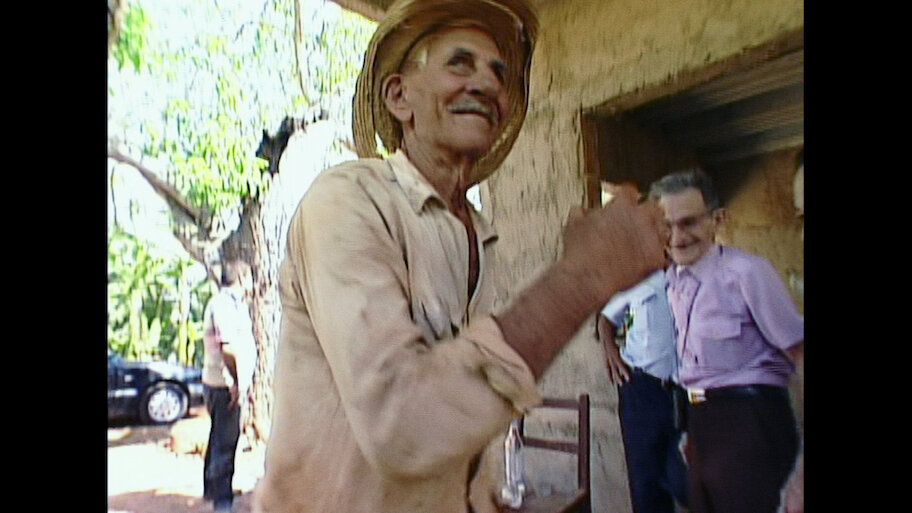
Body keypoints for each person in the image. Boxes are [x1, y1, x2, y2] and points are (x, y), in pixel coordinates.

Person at [252, 1, 666, 512]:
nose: (488, 84)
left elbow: (457, 415)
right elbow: (402, 426)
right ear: (399, 96)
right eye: (460, 63)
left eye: (499, 72)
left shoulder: (478, 235)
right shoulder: (346, 200)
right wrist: (583, 276)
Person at [648, 169, 804, 513]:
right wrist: (693, 429)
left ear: (717, 220)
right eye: (666, 225)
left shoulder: (747, 273)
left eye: (689, 223)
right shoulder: (673, 282)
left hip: (750, 423)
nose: (677, 237)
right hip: (701, 422)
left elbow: (800, 354)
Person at [597, 263, 689, 513]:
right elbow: (606, 319)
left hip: (687, 393)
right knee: (646, 485)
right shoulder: (637, 279)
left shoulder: (699, 280)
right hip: (642, 390)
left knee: (686, 479)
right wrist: (610, 350)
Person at [202, 260, 257, 513]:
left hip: (221, 382)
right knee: (226, 442)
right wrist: (236, 382)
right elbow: (227, 348)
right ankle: (222, 503)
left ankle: (212, 490)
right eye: (250, 278)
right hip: (224, 384)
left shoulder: (233, 304)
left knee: (218, 436)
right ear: (242, 278)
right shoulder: (224, 304)